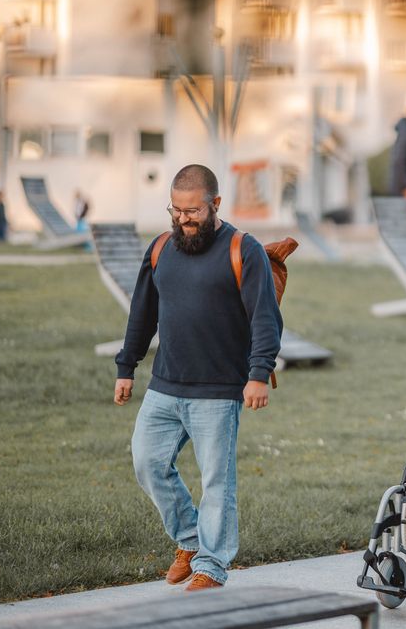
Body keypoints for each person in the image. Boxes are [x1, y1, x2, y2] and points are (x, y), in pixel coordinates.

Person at [113, 164, 283, 591]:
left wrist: (259, 373)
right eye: (178, 210)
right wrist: (126, 367)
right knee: (147, 463)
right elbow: (142, 314)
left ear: (215, 205)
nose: (185, 219)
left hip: (219, 389)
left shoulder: (245, 249)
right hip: (165, 385)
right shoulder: (160, 249)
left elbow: (266, 317)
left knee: (216, 482)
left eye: (194, 211)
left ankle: (212, 565)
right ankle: (189, 539)